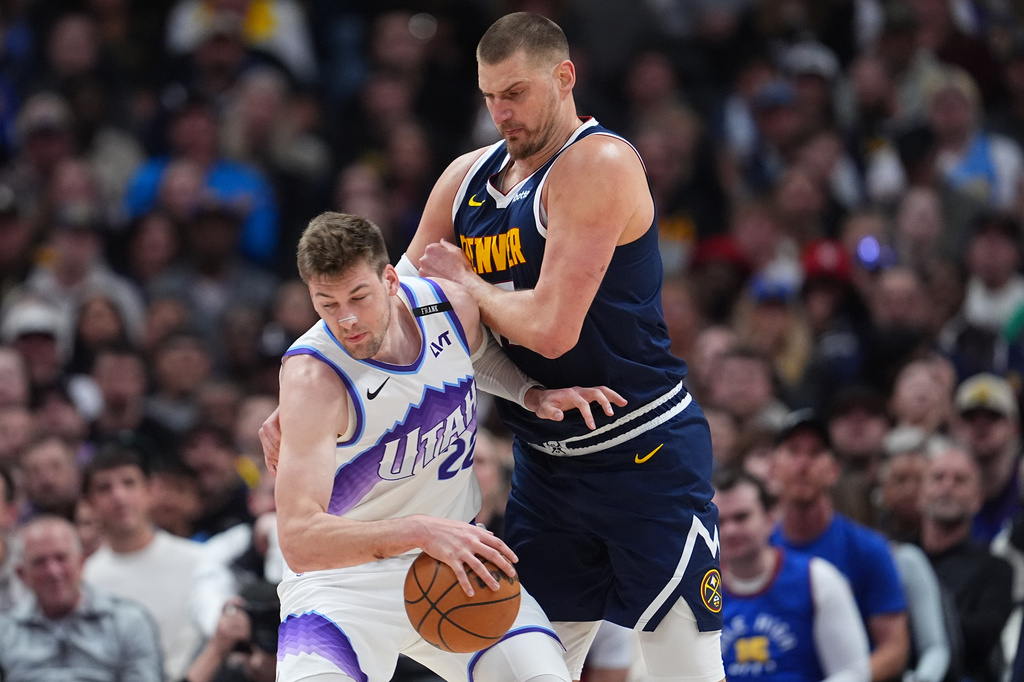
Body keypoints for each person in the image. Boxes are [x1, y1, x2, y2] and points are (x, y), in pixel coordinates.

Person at [403, 12, 725, 681]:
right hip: (545, 470)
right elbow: (403, 324)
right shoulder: (464, 179)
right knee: (508, 671)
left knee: (684, 672)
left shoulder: (597, 162)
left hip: (643, 454)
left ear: (564, 77)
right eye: (490, 95)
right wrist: (303, 379)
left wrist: (468, 285)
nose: (501, 112)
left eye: (515, 92)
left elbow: (552, 327)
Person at [271, 212, 623, 681]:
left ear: (391, 279)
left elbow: (475, 356)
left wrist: (529, 394)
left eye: (359, 296)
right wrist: (417, 530)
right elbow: (299, 540)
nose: (347, 319)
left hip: (454, 564)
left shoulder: (446, 305)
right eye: (327, 304)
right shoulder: (313, 377)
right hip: (341, 584)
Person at [769, 409, 910, 682]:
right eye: (793, 451)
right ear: (773, 469)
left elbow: (895, 647)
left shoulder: (869, 549)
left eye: (815, 453)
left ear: (833, 470)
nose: (803, 464)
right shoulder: (757, 549)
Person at [82, 443, 236, 681]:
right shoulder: (87, 579)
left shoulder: (198, 561)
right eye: (104, 488)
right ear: (90, 503)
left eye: (129, 483)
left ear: (152, 490)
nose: (119, 496)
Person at [714, 467, 870, 682]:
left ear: (770, 519)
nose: (730, 530)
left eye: (741, 517)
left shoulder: (817, 579)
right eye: (719, 521)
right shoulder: (703, 594)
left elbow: (854, 672)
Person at [0, 515, 163, 681]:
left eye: (61, 558)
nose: (53, 571)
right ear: (22, 575)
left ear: (82, 562)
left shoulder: (128, 623)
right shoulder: (6, 632)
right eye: (39, 562)